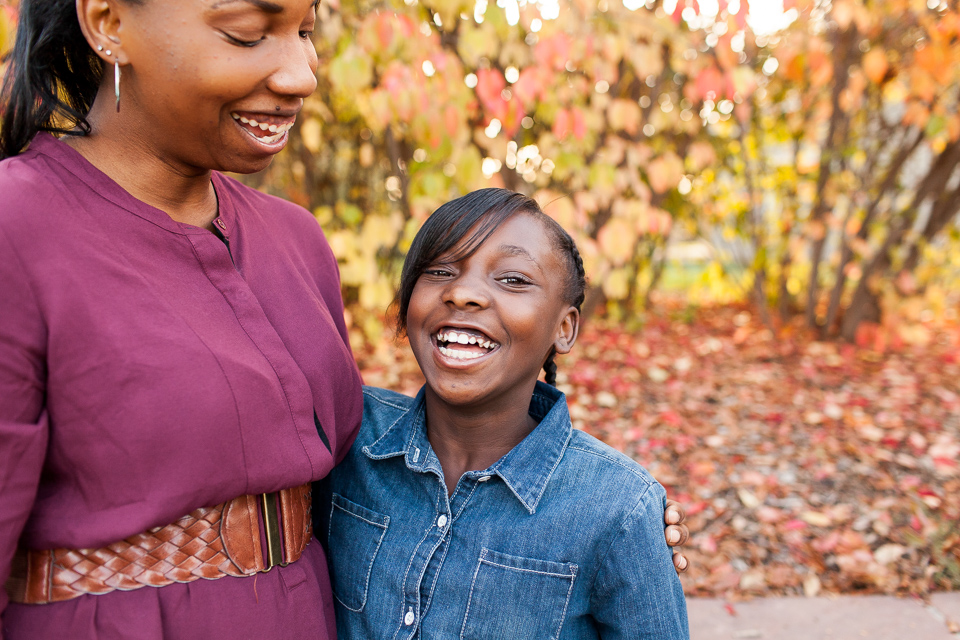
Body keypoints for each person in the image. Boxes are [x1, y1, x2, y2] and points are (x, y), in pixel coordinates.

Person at [0, 0, 688, 637]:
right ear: (109, 21)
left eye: (306, 30)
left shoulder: (292, 240)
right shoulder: (19, 227)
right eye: (247, 33)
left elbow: (355, 455)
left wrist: (601, 511)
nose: (301, 74)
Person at [322, 188, 689, 640]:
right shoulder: (348, 434)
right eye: (439, 270)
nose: (462, 293)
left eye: (514, 280)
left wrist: (642, 532)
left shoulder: (617, 510)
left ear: (564, 327)